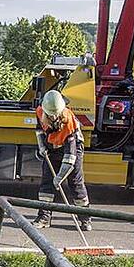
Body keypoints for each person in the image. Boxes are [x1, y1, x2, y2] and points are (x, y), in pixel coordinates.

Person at [31, 89, 91, 230]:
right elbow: (39, 130)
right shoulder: (40, 111)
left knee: (75, 184)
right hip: (51, 147)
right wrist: (41, 146)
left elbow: (70, 158)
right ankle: (44, 217)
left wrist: (59, 177)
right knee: (46, 182)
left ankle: (85, 218)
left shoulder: (68, 122)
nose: (54, 118)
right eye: (51, 115)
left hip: (72, 148)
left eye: (56, 115)